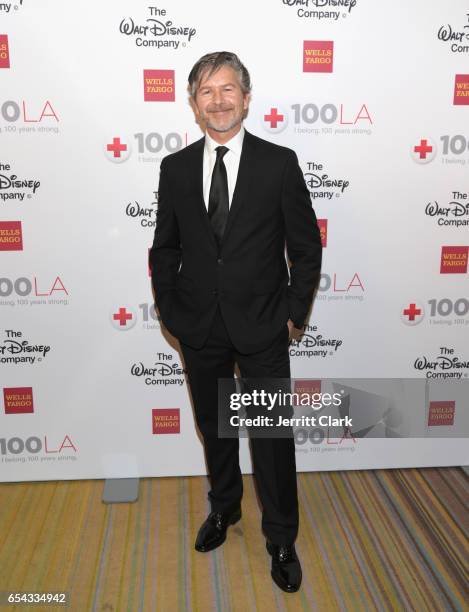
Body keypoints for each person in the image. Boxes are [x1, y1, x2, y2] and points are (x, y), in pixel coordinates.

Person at [149, 51, 322, 593]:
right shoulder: (175, 169)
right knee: (216, 427)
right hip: (200, 326)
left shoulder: (279, 162)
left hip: (264, 324)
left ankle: (280, 537)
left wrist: (293, 314)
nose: (218, 100)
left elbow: (305, 246)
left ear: (246, 99)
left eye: (228, 90)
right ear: (194, 104)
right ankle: (225, 508)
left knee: (271, 436)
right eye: (207, 91)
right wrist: (173, 312)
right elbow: (165, 247)